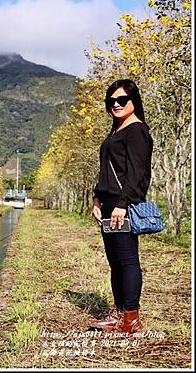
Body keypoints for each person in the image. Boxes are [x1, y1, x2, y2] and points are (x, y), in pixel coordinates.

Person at [89, 79, 153, 334]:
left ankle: (131, 320)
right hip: (109, 202)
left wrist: (123, 204)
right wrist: (97, 198)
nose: (116, 104)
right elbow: (107, 171)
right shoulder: (116, 131)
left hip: (121, 203)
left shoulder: (136, 130)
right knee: (115, 261)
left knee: (127, 260)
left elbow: (137, 173)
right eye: (111, 101)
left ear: (134, 101)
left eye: (122, 100)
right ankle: (119, 314)